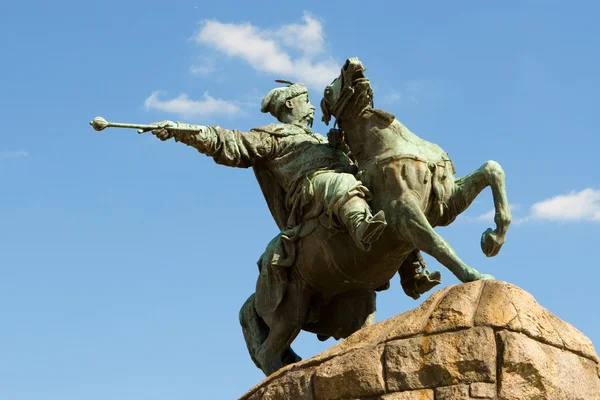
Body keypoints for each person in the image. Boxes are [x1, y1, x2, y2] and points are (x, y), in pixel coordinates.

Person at [151, 81, 387, 273]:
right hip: (311, 192)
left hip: (343, 187)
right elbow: (228, 141)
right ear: (289, 104)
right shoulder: (273, 136)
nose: (313, 107)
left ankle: (412, 268)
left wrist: (342, 149)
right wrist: (179, 130)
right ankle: (361, 226)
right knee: (340, 182)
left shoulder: (321, 139)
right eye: (306, 101)